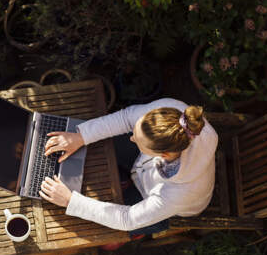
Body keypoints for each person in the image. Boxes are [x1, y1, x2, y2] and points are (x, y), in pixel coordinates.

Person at [39, 98, 218, 244]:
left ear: (163, 154)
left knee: (103, 232)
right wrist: (81, 137)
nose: (131, 138)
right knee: (103, 144)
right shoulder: (170, 113)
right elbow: (126, 118)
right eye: (135, 132)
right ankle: (128, 176)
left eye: (138, 141)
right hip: (146, 167)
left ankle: (136, 230)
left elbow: (128, 219)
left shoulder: (179, 193)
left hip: (165, 205)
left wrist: (70, 201)